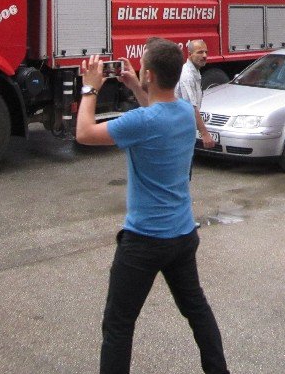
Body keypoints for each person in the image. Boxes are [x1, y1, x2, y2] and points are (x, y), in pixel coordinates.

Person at [77, 39, 229, 374]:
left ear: (149, 73)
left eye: (141, 67)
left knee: (118, 325)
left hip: (144, 241)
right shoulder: (184, 115)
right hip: (181, 236)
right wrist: (134, 84)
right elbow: (157, 110)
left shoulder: (140, 122)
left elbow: (84, 133)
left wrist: (90, 88)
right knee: (197, 310)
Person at [175, 39, 216, 149]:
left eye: (206, 52)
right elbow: (192, 107)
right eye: (200, 52)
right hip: (180, 131)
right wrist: (205, 134)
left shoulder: (195, 71)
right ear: (189, 54)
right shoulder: (187, 75)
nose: (204, 56)